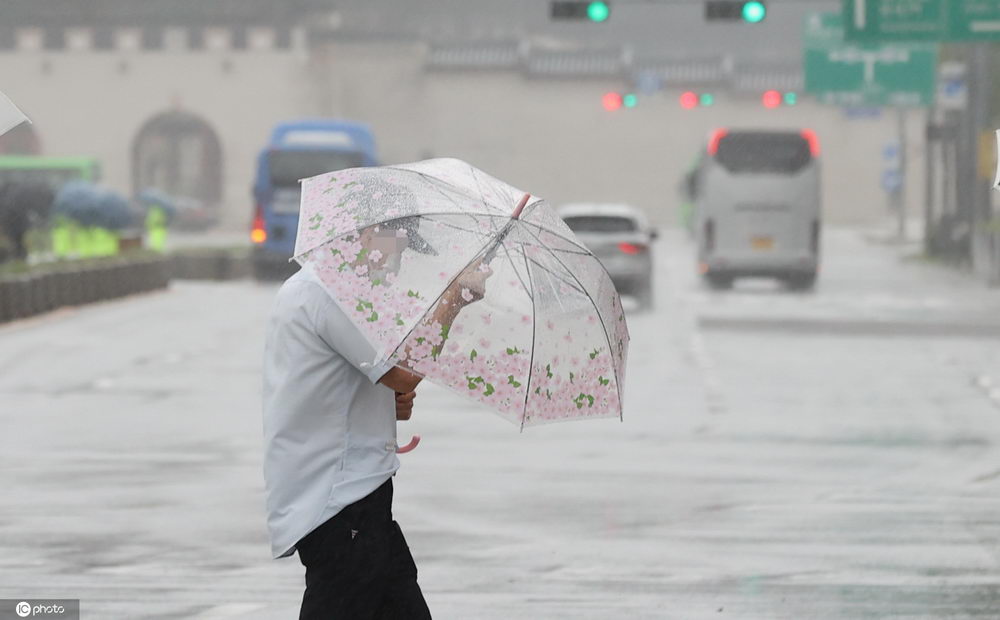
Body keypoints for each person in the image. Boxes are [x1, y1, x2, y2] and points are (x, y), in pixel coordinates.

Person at [261, 219, 491, 619]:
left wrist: (386, 405)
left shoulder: (321, 287)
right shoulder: (330, 292)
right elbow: (402, 373)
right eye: (396, 244)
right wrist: (454, 299)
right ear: (365, 234)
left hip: (360, 498)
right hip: (339, 501)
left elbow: (338, 385)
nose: (397, 259)